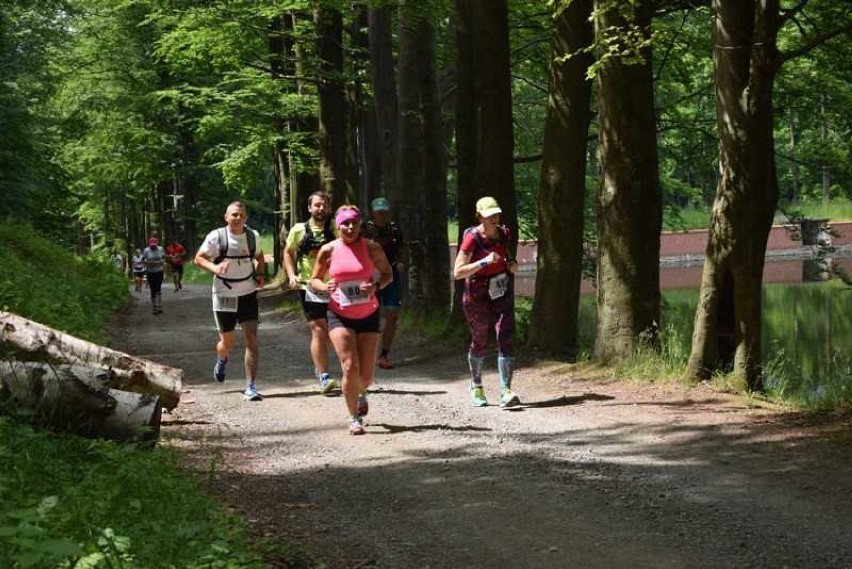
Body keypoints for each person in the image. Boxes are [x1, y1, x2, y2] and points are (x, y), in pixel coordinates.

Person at [310, 205, 392, 435]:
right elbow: (314, 279)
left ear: (359, 225)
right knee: (349, 366)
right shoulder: (328, 250)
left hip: (368, 313)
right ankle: (354, 417)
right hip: (339, 313)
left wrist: (374, 286)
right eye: (344, 223)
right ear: (337, 226)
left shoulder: (372, 248)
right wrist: (325, 286)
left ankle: (361, 391)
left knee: (366, 376)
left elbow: (388, 275)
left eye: (353, 223)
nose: (349, 227)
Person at [452, 196, 521, 408]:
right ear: (480, 216)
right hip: (476, 291)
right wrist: (483, 262)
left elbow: (506, 257)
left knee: (504, 334)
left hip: (500, 288)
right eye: (489, 215)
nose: (494, 218)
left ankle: (506, 391)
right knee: (480, 338)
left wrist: (511, 264)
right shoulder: (472, 238)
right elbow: (457, 273)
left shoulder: (504, 234)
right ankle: (477, 385)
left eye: (496, 214)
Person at [194, 201, 266, 402]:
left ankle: (250, 386)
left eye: (241, 215)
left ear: (246, 217)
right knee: (228, 341)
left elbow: (259, 257)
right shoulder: (217, 236)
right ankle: (222, 357)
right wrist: (215, 269)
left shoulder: (253, 236)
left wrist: (260, 274)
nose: (238, 218)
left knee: (251, 338)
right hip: (223, 294)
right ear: (226, 217)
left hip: (248, 293)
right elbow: (198, 258)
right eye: (234, 215)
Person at [284, 191, 338, 395]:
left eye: (324, 205)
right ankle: (323, 375)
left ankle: (348, 370)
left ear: (329, 208)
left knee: (335, 332)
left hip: (335, 286)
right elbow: (288, 253)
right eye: (317, 205)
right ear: (309, 208)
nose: (321, 208)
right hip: (310, 287)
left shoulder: (336, 228)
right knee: (318, 329)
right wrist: (291, 275)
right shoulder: (299, 229)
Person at [364, 196, 406, 369]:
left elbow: (401, 249)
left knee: (392, 314)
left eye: (385, 212)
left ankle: (384, 355)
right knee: (368, 315)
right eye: (379, 212)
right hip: (370, 277)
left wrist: (402, 261)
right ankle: (366, 352)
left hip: (392, 276)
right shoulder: (365, 230)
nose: (382, 215)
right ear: (373, 213)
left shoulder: (395, 230)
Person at [142, 237, 166, 314]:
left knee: (158, 288)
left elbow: (163, 258)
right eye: (151, 245)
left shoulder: (160, 249)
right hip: (150, 272)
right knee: (153, 289)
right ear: (149, 244)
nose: (153, 247)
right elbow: (143, 260)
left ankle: (159, 306)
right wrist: (147, 263)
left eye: (154, 245)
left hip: (159, 271)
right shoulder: (146, 250)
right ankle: (154, 307)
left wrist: (162, 262)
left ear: (157, 243)